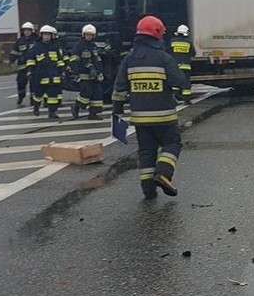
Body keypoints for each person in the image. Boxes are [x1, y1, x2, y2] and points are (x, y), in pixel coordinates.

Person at [112, 15, 186, 200]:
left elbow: (119, 87)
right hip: (164, 116)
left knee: (146, 150)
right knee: (172, 143)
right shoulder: (164, 58)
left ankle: (148, 190)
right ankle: (163, 173)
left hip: (140, 118)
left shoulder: (129, 59)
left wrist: (118, 111)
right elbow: (179, 81)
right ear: (158, 33)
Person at [27, 25, 67, 118]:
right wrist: (30, 70)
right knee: (38, 95)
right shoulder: (36, 47)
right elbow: (31, 60)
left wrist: (62, 71)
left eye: (49, 35)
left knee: (53, 95)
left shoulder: (55, 47)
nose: (47, 36)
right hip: (40, 75)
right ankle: (36, 107)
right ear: (41, 35)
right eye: (45, 34)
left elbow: (60, 60)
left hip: (54, 74)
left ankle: (52, 112)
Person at [69, 24, 104, 119]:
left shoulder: (93, 46)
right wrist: (77, 72)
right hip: (84, 74)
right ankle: (76, 107)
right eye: (87, 34)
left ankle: (93, 114)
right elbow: (74, 60)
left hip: (95, 75)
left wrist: (99, 71)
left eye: (91, 35)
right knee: (86, 93)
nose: (89, 36)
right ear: (83, 35)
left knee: (97, 94)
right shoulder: (79, 45)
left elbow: (97, 60)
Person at [9, 22, 36, 105]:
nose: (27, 32)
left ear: (32, 31)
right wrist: (11, 61)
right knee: (20, 82)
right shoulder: (20, 41)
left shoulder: (37, 40)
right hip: (22, 66)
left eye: (29, 30)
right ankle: (21, 96)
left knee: (34, 84)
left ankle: (33, 99)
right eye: (25, 30)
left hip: (34, 66)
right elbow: (14, 52)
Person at [168, 24, 195, 103]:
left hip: (175, 66)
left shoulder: (172, 41)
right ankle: (186, 100)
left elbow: (168, 51)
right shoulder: (188, 42)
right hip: (186, 67)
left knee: (175, 83)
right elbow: (193, 53)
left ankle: (174, 98)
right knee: (186, 83)